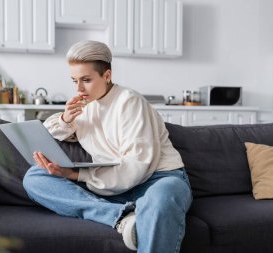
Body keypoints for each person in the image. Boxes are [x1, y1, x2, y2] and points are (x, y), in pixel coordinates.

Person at [22, 40, 192, 253]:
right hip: (113, 186)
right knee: (35, 177)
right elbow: (52, 132)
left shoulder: (130, 102)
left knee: (162, 199)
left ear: (107, 76)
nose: (79, 88)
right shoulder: (85, 105)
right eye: (74, 80)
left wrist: (76, 175)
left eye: (86, 80)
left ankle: (129, 214)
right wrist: (65, 118)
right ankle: (122, 217)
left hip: (157, 179)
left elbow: (137, 167)